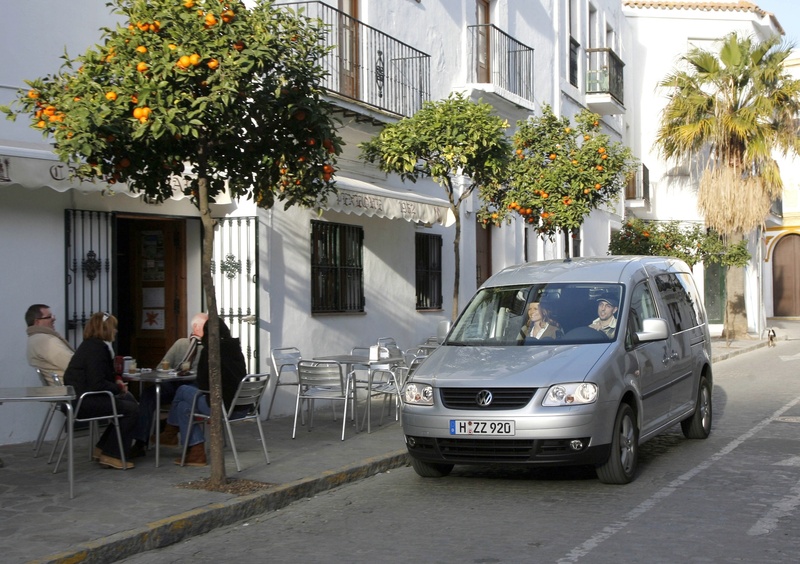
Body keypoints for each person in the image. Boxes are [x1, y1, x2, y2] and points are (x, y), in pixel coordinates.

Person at [160, 317, 247, 467]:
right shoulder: (235, 349)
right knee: (183, 407)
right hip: (241, 407)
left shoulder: (210, 351)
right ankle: (196, 453)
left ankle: (170, 431)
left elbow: (202, 384)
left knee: (182, 390)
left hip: (221, 407)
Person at [63, 312, 139, 469]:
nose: (116, 332)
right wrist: (118, 387)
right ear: (106, 329)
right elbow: (97, 383)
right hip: (84, 402)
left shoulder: (89, 346)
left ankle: (103, 448)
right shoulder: (97, 349)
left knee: (128, 403)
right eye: (114, 328)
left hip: (77, 398)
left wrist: (116, 381)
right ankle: (112, 454)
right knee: (131, 410)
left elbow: (100, 376)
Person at [129, 312, 208, 458]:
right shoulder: (181, 343)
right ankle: (140, 442)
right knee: (148, 394)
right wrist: (173, 373)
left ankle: (169, 430)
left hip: (195, 387)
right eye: (206, 325)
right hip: (173, 384)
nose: (209, 328)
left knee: (184, 398)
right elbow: (161, 367)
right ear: (196, 327)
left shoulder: (209, 348)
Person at [25, 304, 74, 384]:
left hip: (63, 388)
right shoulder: (46, 341)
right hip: (73, 389)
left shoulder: (34, 339)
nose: (54, 319)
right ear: (37, 322)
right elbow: (75, 365)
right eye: (49, 317)